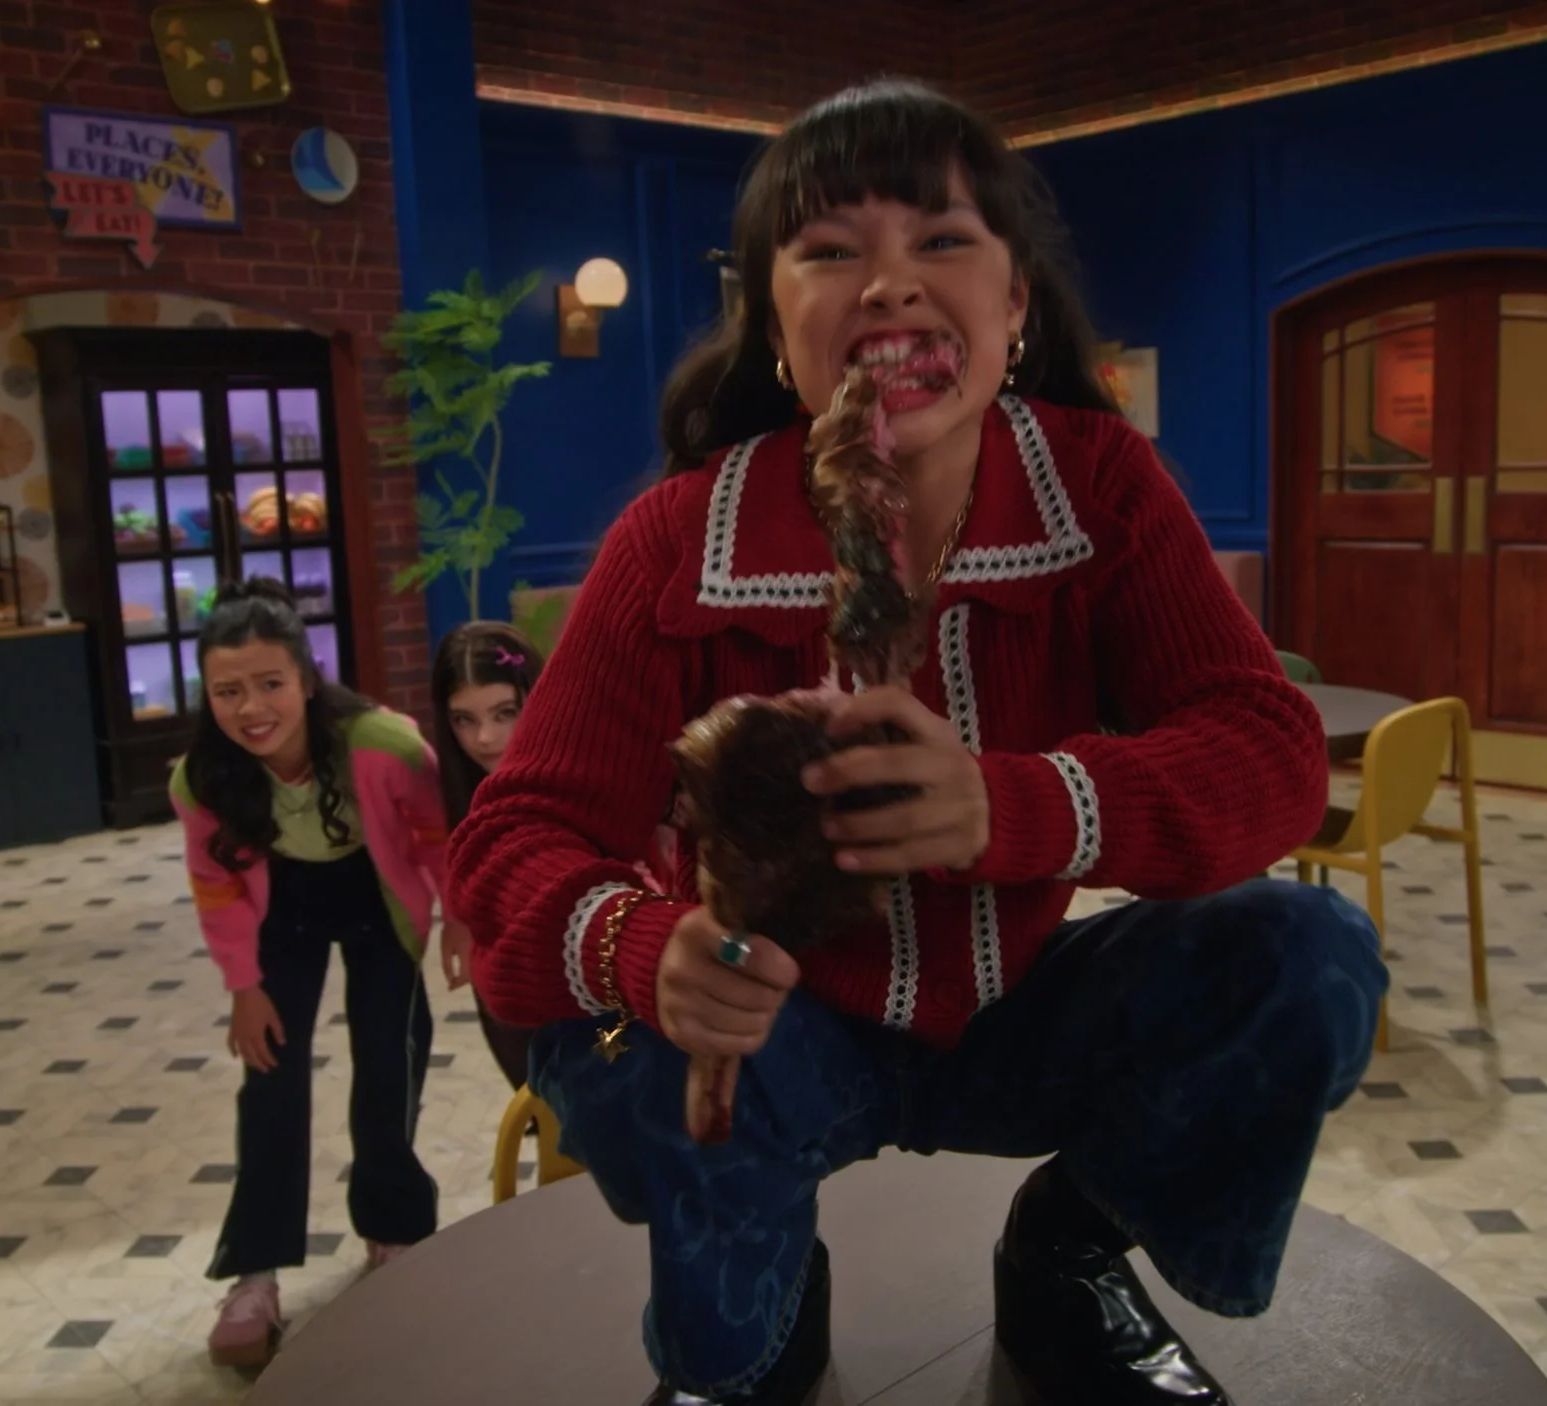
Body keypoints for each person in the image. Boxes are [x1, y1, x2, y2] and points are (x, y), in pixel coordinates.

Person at [452, 79, 1389, 1406]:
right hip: (769, 1032)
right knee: (639, 1044)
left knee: (1309, 956)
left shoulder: (1102, 490)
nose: (890, 281)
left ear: (1014, 308)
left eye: (941, 238)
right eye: (832, 250)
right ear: (776, 330)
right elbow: (507, 845)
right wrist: (640, 946)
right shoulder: (674, 542)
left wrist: (1022, 805)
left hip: (1026, 1013)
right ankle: (756, 1319)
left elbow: (1269, 751)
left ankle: (1068, 1251)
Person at [172, 579, 447, 1369]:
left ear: (306, 678)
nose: (252, 708)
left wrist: (461, 916)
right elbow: (216, 887)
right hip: (280, 907)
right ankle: (254, 1272)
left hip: (374, 899)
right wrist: (243, 987)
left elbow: (438, 835)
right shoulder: (202, 778)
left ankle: (395, 1232)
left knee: (388, 1062)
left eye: (270, 684)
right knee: (270, 1078)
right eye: (228, 692)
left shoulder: (384, 745)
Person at [428, 620, 547, 1088]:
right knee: (533, 1097)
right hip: (505, 978)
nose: (484, 737)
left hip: (591, 979)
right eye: (464, 719)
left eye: (505, 713)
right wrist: (457, 918)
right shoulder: (461, 790)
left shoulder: (587, 775)